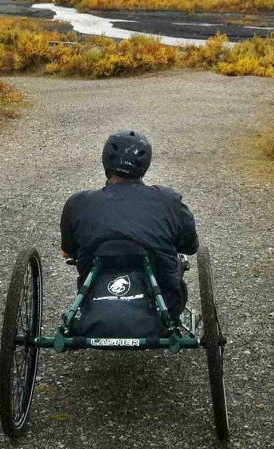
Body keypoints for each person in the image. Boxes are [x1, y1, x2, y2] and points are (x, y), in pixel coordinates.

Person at [60, 130, 198, 319]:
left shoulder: (78, 203)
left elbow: (69, 250)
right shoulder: (168, 200)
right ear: (145, 165)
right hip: (164, 303)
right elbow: (190, 246)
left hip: (94, 302)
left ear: (106, 161)